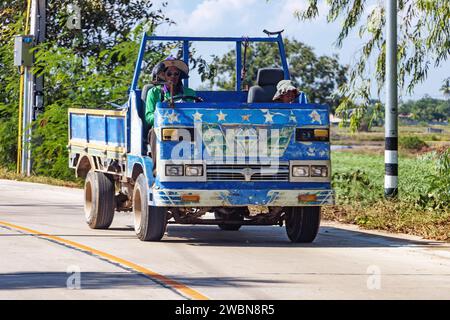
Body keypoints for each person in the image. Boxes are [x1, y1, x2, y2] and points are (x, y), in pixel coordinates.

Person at [145, 56, 196, 131]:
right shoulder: (154, 92)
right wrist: (164, 116)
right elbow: (149, 117)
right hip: (160, 129)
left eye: (176, 74)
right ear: (163, 75)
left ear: (179, 75)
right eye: (169, 74)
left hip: (185, 129)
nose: (173, 76)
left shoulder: (190, 93)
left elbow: (194, 115)